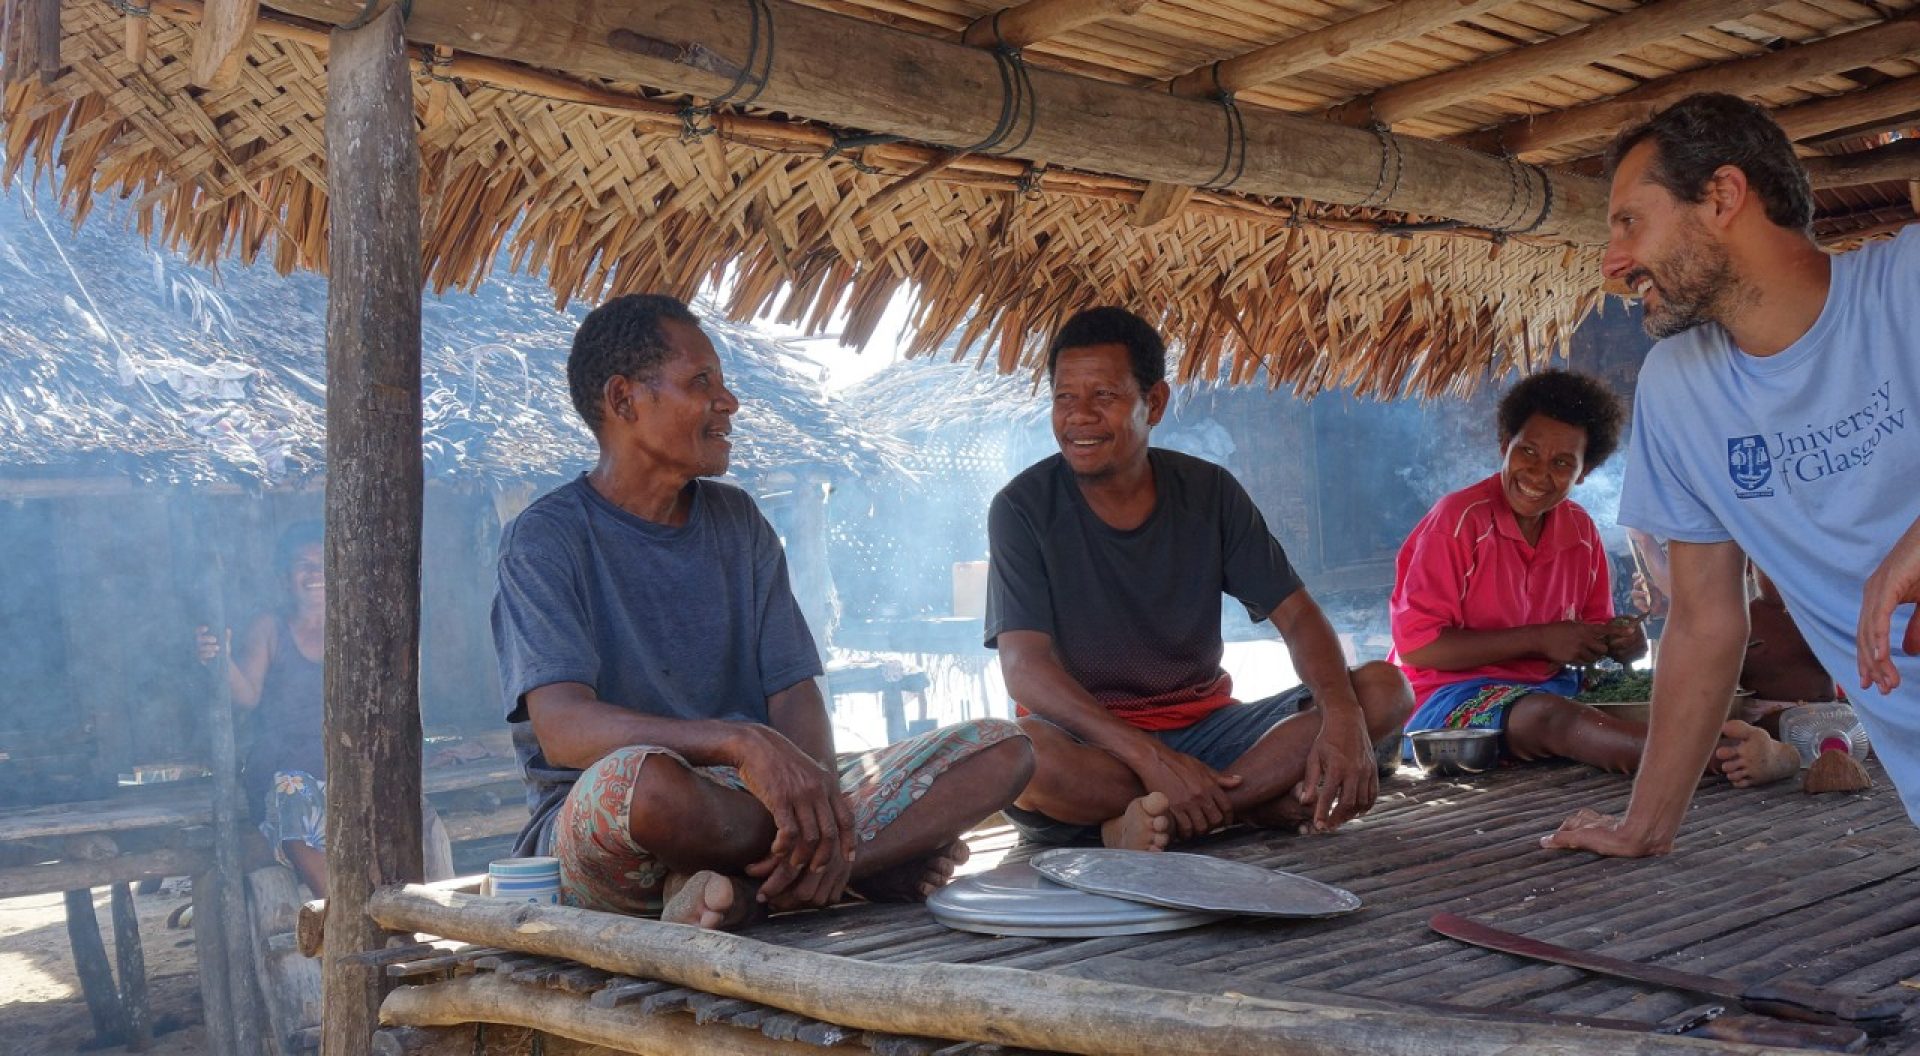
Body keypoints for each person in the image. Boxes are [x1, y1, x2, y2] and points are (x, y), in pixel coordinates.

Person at [492, 294, 1033, 929]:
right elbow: (563, 729)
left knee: (1004, 749)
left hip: (757, 811)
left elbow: (793, 690)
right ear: (623, 400)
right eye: (702, 382)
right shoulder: (547, 537)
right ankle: (857, 869)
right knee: (645, 789)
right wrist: (740, 743)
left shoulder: (737, 521)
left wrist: (818, 802)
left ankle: (766, 884)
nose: (729, 402)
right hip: (628, 830)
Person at [1548, 92, 1920, 857]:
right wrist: (1643, 826)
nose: (1615, 263)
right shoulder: (1681, 389)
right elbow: (1705, 620)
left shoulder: (1907, 288)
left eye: (1630, 221)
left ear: (1722, 196)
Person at [984, 306, 1413, 852]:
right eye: (1064, 397)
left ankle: (1186, 814)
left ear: (1154, 403)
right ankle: (1249, 805)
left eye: (1105, 396)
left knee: (1383, 689)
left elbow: (1298, 616)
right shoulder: (1022, 508)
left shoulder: (1209, 494)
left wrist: (1343, 715)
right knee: (1025, 755)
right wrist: (1150, 756)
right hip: (1093, 746)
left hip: (1211, 736)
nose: (1080, 416)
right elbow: (1025, 671)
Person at [1389, 370, 1796, 783]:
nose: (1537, 473)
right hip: (1446, 701)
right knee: (1553, 720)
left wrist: (1621, 643)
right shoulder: (1457, 522)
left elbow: (1595, 634)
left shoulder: (1581, 532)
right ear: (1504, 445)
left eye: (1562, 462)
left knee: (1685, 691)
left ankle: (1789, 735)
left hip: (1557, 688)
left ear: (1583, 473)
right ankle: (1722, 759)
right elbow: (1418, 647)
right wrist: (1540, 638)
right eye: (1527, 451)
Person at [195, 523, 455, 897]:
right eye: (303, 564)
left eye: (322, 563)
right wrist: (218, 661)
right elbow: (248, 694)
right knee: (294, 795)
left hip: (348, 763)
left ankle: (403, 911)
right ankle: (340, 911)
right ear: (285, 578)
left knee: (401, 812)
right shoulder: (270, 628)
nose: (314, 573)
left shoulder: (355, 627)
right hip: (288, 768)